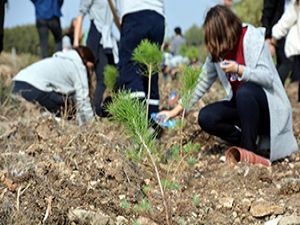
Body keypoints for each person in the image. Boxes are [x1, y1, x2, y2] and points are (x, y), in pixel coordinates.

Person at [158, 5, 298, 162]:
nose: (217, 48)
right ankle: (244, 140)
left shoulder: (250, 37)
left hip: (268, 111)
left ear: (228, 30)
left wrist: (239, 70)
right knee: (206, 117)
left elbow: (268, 78)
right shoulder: (218, 51)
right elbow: (201, 83)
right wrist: (174, 112)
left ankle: (248, 152)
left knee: (245, 91)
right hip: (244, 110)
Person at [12, 46, 95, 126]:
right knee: (71, 106)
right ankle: (56, 122)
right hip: (33, 88)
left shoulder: (60, 59)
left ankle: (44, 117)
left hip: (16, 84)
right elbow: (83, 100)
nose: (90, 72)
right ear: (86, 60)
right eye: (91, 68)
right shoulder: (78, 66)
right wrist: (91, 125)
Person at [116, 0, 165, 122]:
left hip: (134, 15)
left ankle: (139, 124)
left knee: (130, 69)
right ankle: (153, 121)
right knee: (150, 71)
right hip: (158, 18)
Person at [73, 0, 118, 117]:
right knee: (99, 79)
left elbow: (118, 19)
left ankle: (111, 108)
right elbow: (80, 14)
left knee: (116, 75)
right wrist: (76, 43)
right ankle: (94, 111)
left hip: (108, 40)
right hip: (96, 39)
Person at [261, 0, 298, 84]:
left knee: (288, 66)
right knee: (286, 63)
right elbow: (267, 14)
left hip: (291, 36)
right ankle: (274, 90)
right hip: (280, 37)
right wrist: (269, 38)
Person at [271, 0, 300, 102]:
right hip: (295, 49)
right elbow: (287, 20)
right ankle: (273, 95)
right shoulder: (297, 3)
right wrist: (274, 36)